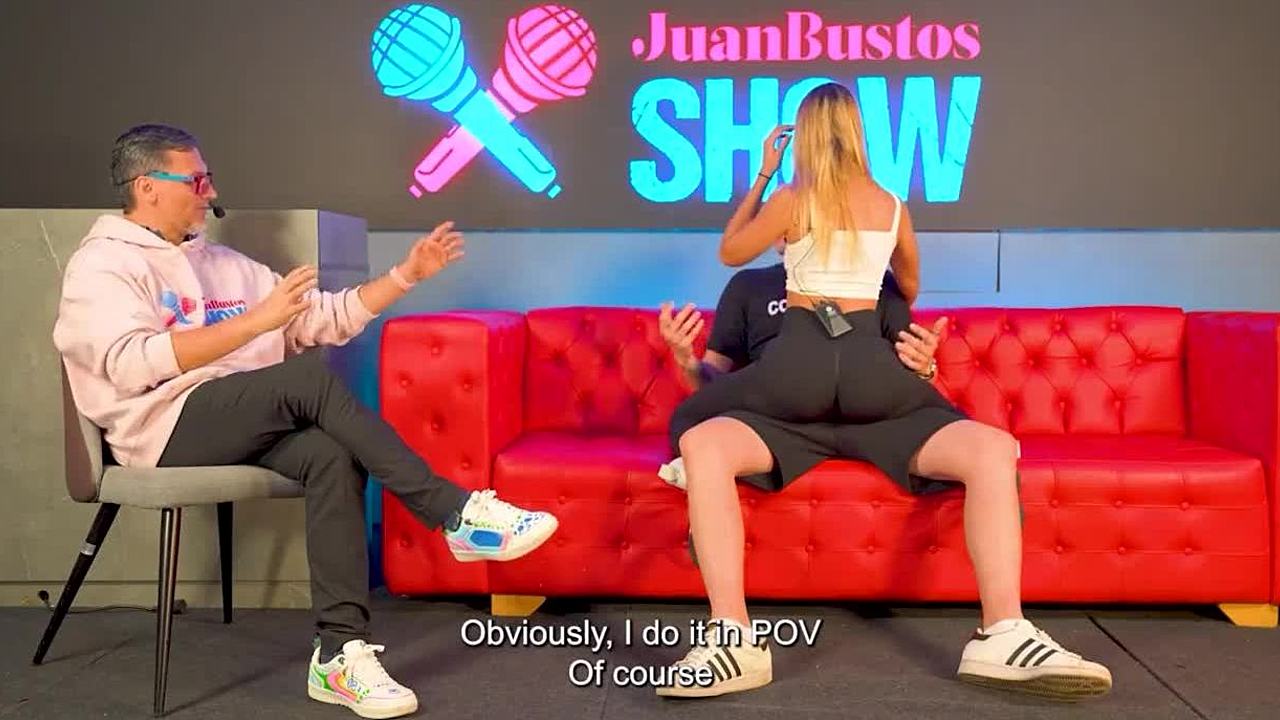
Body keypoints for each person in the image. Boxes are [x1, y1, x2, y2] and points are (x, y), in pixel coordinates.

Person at [52, 124, 559, 720]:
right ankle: (453, 513)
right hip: (158, 428)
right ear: (147, 187)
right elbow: (128, 365)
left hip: (237, 417)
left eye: (208, 178)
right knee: (305, 381)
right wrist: (254, 324)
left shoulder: (226, 265)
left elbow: (322, 319)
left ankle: (339, 654)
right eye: (196, 180)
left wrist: (406, 276)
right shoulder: (102, 266)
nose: (210, 191)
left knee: (330, 455)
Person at [654, 84, 1112, 701]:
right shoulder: (892, 205)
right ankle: (1002, 633)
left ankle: (735, 639)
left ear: (804, 137)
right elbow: (911, 286)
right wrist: (868, 262)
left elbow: (730, 248)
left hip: (797, 373)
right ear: (858, 133)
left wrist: (765, 174)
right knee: (993, 447)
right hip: (867, 376)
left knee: (692, 426)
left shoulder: (793, 199)